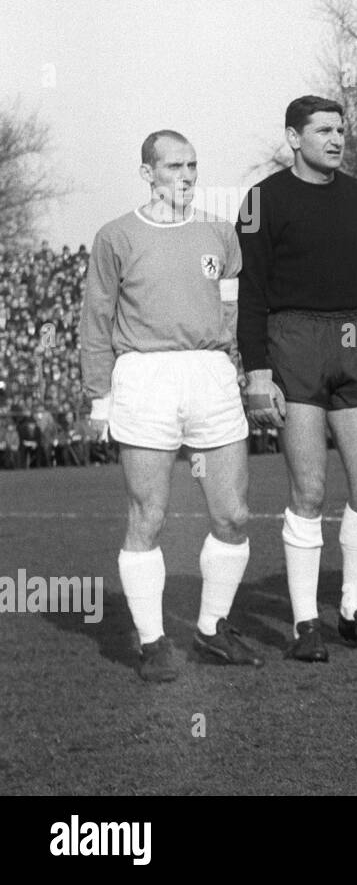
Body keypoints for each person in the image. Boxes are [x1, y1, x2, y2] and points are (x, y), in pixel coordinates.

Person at [80, 130, 261, 681]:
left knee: (232, 514)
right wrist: (99, 399)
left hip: (209, 373)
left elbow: (234, 314)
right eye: (175, 166)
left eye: (193, 165)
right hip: (145, 376)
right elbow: (96, 321)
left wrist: (245, 371)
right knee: (149, 515)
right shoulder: (115, 236)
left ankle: (211, 630)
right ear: (147, 173)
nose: (186, 175)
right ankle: (154, 640)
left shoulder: (218, 232)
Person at [238, 96, 357, 661]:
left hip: (353, 338)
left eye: (341, 130)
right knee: (309, 490)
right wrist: (257, 369)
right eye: (323, 130)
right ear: (293, 137)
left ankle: (353, 613)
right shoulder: (263, 199)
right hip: (293, 342)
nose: (336, 139)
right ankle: (305, 622)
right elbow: (253, 293)